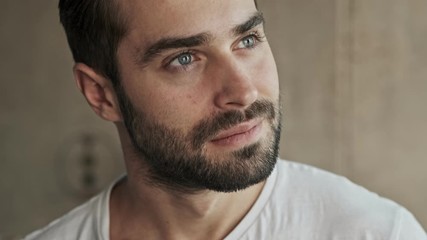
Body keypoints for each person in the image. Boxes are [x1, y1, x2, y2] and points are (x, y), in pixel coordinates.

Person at [26, 0, 426, 239]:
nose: (244, 92)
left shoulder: (373, 232)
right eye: (183, 59)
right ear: (102, 94)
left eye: (247, 41)